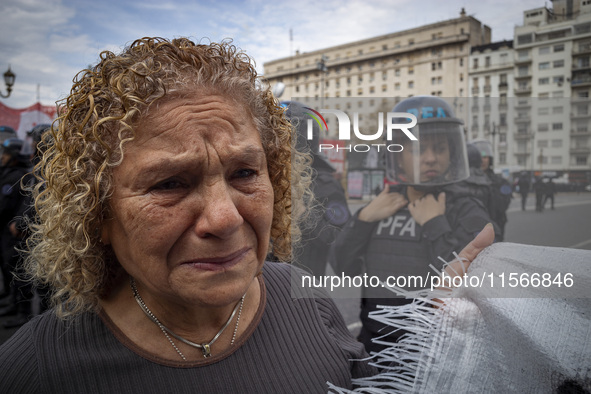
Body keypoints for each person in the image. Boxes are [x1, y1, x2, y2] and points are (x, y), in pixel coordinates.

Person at [0, 37, 377, 393]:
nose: (225, 218)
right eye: (169, 184)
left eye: (244, 173)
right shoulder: (35, 370)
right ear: (96, 213)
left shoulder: (307, 301)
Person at [331, 95, 498, 354]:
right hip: (375, 348)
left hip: (434, 353)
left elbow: (472, 291)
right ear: (398, 155)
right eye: (418, 148)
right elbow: (343, 268)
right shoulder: (384, 204)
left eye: (439, 148)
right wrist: (362, 222)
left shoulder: (467, 209)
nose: (430, 158)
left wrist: (435, 225)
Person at [282, 100, 351, 276]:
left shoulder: (326, 184)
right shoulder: (267, 178)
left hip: (304, 288)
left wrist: (305, 216)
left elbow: (340, 244)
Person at [0, 138, 31, 313]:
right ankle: (13, 303)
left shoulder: (17, 176)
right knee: (9, 267)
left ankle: (21, 310)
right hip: (9, 229)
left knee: (17, 271)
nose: (2, 157)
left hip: (14, 231)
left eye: (6, 154)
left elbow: (5, 205)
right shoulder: (9, 173)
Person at [472, 139, 512, 241]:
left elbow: (503, 205)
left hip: (495, 226)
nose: (482, 160)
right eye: (479, 157)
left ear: (490, 159)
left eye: (485, 157)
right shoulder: (466, 182)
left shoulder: (501, 182)